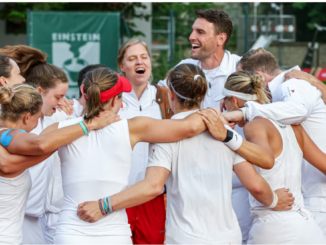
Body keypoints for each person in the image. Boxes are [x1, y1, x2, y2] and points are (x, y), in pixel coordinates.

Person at [76, 64, 294, 244]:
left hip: (185, 238)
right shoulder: (223, 131)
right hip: (228, 238)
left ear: (170, 95)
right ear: (203, 93)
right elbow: (255, 184)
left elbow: (152, 186)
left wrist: (103, 206)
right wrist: (275, 200)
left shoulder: (165, 134)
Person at [38, 66, 207, 244]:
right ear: (114, 102)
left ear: (83, 91)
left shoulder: (59, 130)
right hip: (114, 234)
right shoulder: (132, 128)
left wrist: (84, 125)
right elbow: (192, 126)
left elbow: (36, 146)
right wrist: (217, 114)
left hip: (70, 232)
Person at [161, 9, 252, 242]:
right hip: (189, 187)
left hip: (236, 186)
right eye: (192, 30)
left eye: (200, 31)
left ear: (220, 39)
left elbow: (270, 95)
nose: (192, 36)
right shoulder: (185, 67)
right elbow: (159, 94)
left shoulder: (241, 69)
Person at [223, 48, 326, 237]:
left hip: (311, 204)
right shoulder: (280, 114)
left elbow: (299, 109)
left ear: (258, 76)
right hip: (303, 212)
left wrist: (242, 114)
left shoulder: (291, 84)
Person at [0, 83, 119, 245]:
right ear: (27, 117)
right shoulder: (10, 135)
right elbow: (40, 145)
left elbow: (13, 164)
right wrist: (89, 125)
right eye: (37, 118)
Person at [0, 45, 91, 244]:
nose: (23, 79)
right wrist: (86, 126)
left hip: (35, 215)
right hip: (17, 221)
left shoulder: (57, 112)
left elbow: (86, 104)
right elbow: (13, 160)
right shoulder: (10, 124)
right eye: (18, 74)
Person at [117, 38, 173, 244]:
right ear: (122, 66)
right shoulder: (112, 98)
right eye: (132, 59)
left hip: (154, 196)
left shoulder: (165, 96)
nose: (140, 62)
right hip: (119, 195)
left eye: (144, 57)